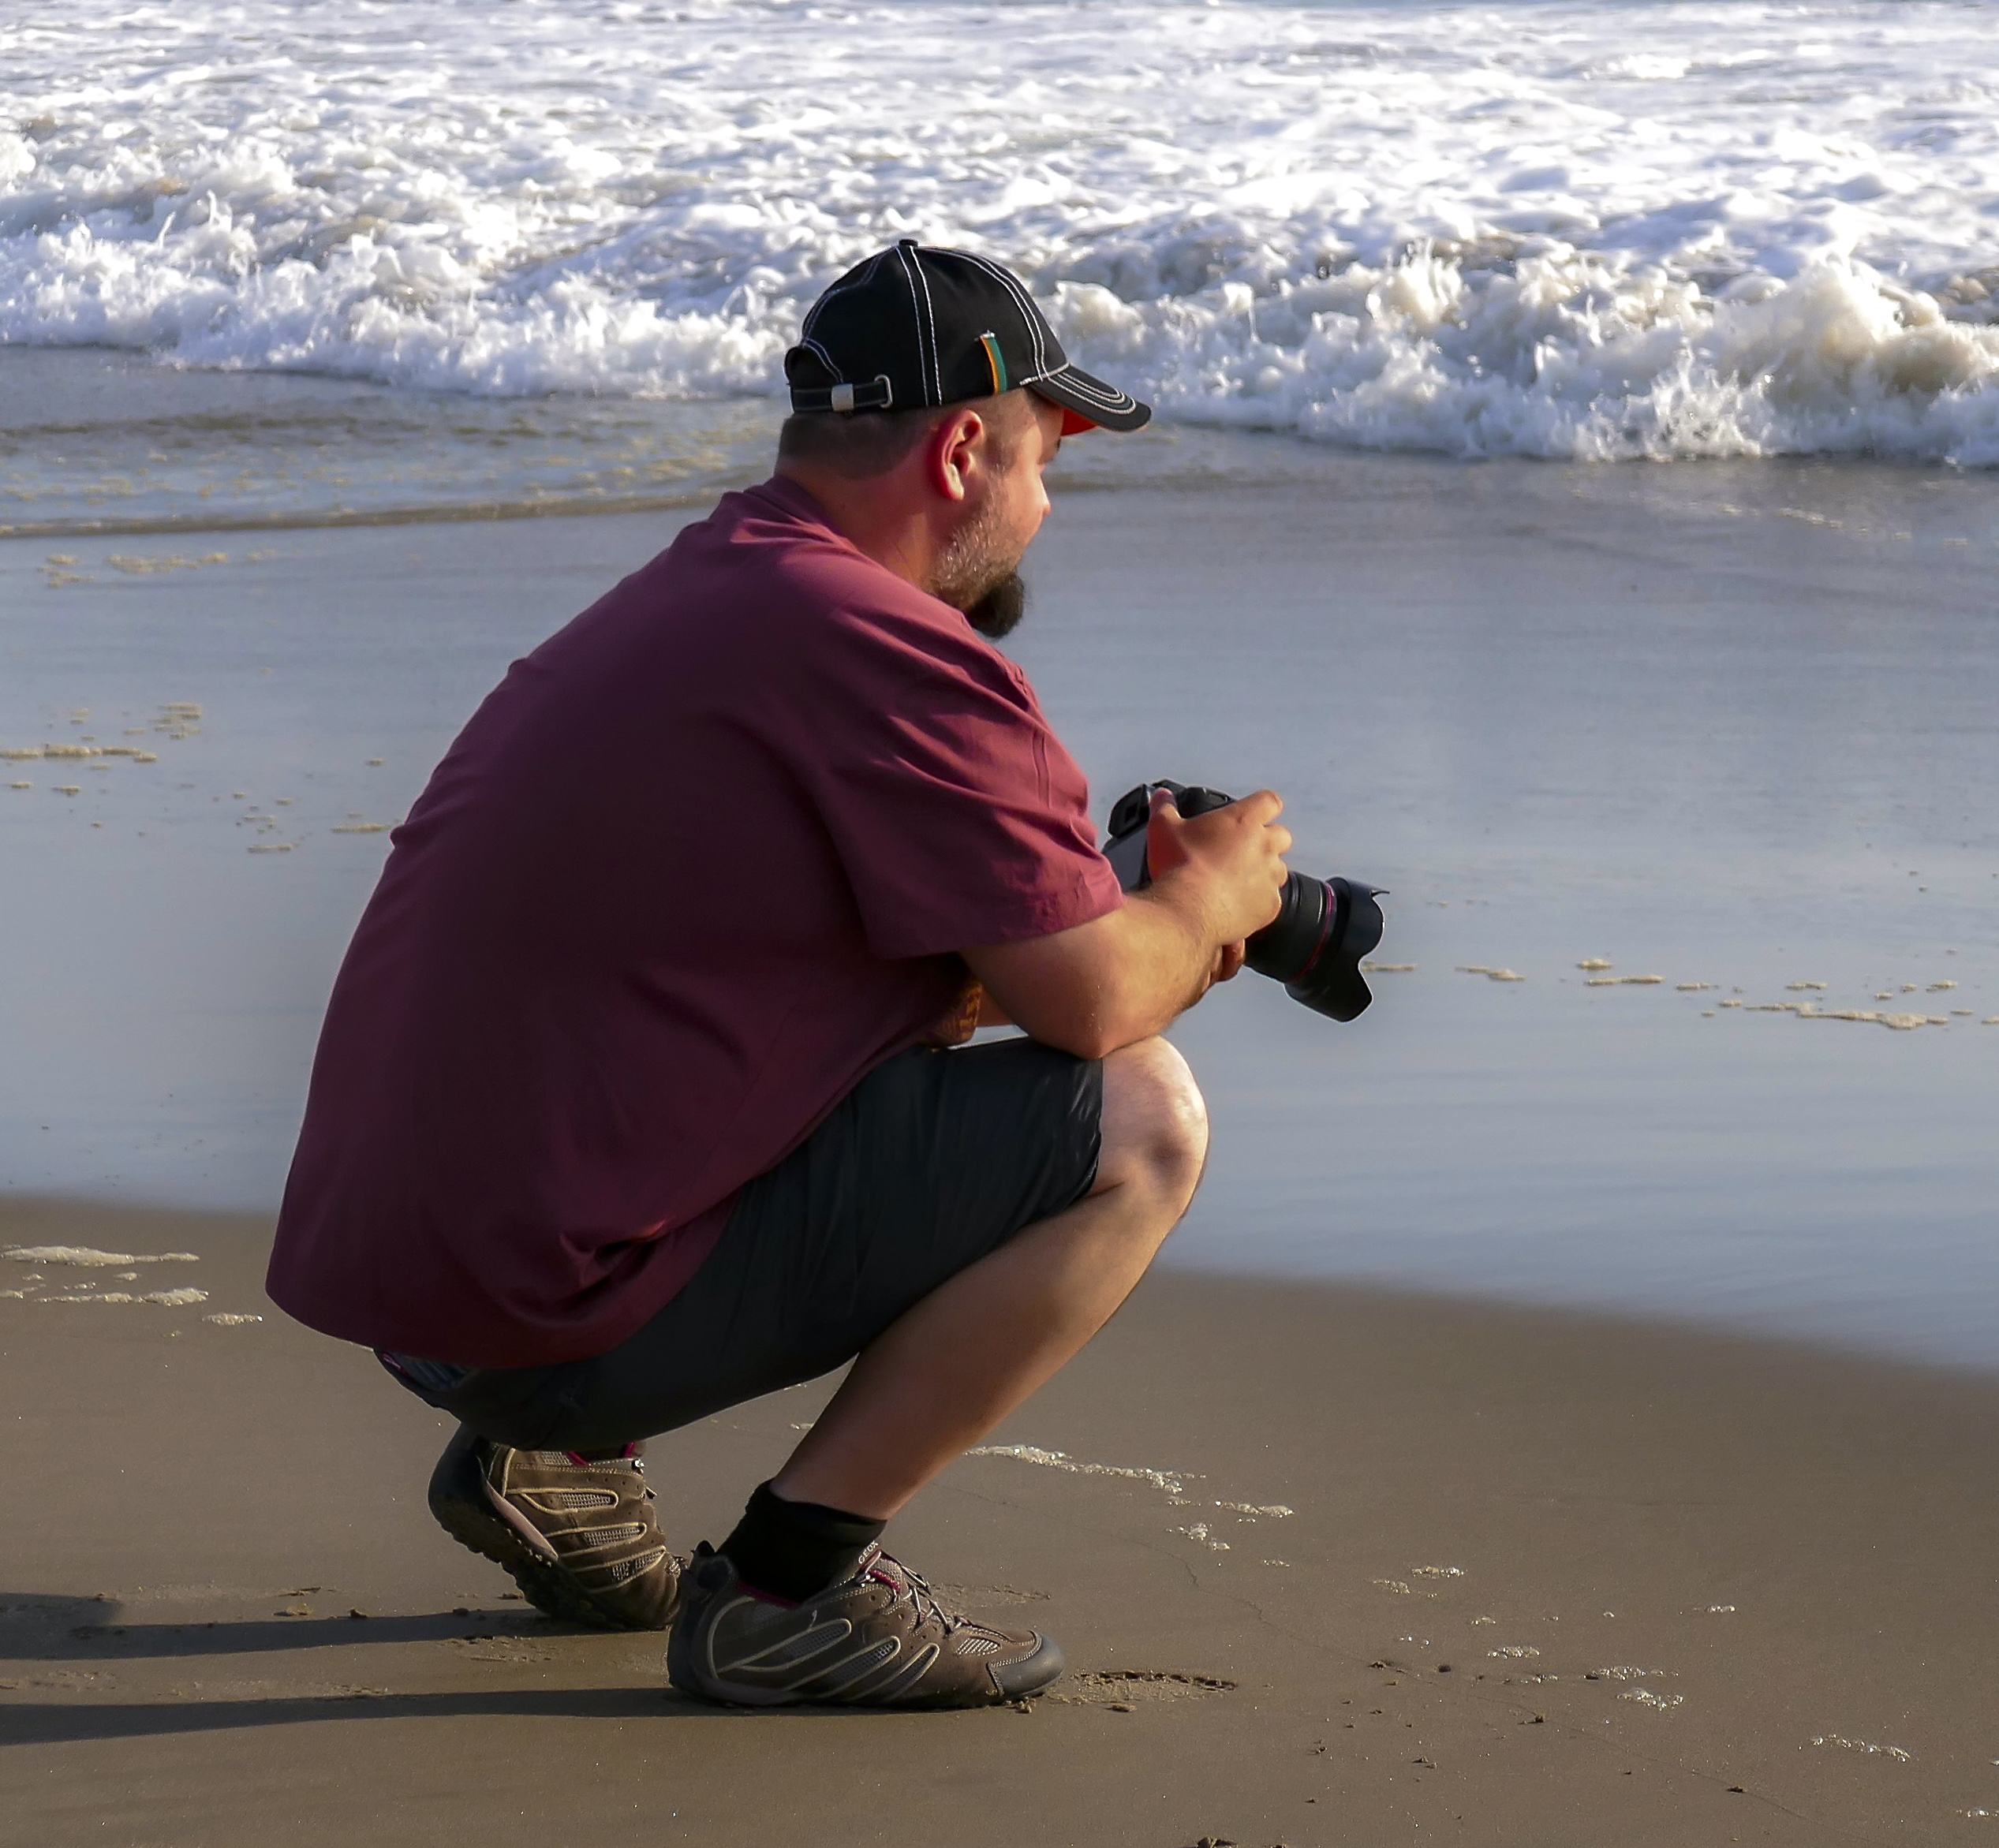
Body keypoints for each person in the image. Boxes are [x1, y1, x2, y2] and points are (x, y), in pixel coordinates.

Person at [267, 239, 1291, 1710]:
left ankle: (555, 1458)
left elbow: (819, 986)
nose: (1050, 503)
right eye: (1048, 455)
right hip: (529, 1313)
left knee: (892, 1027)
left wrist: (1099, 920)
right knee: (1141, 1124)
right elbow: (1093, 1004)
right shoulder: (891, 650)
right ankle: (786, 1590)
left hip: (418, 1288)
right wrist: (1209, 902)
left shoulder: (705, 592)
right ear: (959, 452)